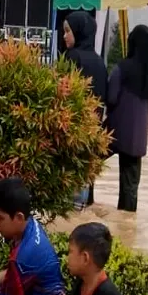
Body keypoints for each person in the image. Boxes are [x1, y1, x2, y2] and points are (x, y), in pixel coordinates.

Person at [107, 25, 148, 212]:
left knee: (88, 162)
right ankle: (127, 223)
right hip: (138, 138)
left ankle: (84, 204)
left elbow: (111, 97)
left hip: (114, 131)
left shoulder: (122, 68)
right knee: (130, 184)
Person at [60, 11, 108, 206]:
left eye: (67, 31)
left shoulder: (72, 57)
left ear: (78, 32)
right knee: (86, 182)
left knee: (69, 199)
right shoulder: (99, 62)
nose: (64, 36)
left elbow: (63, 94)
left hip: (72, 132)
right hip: (92, 134)